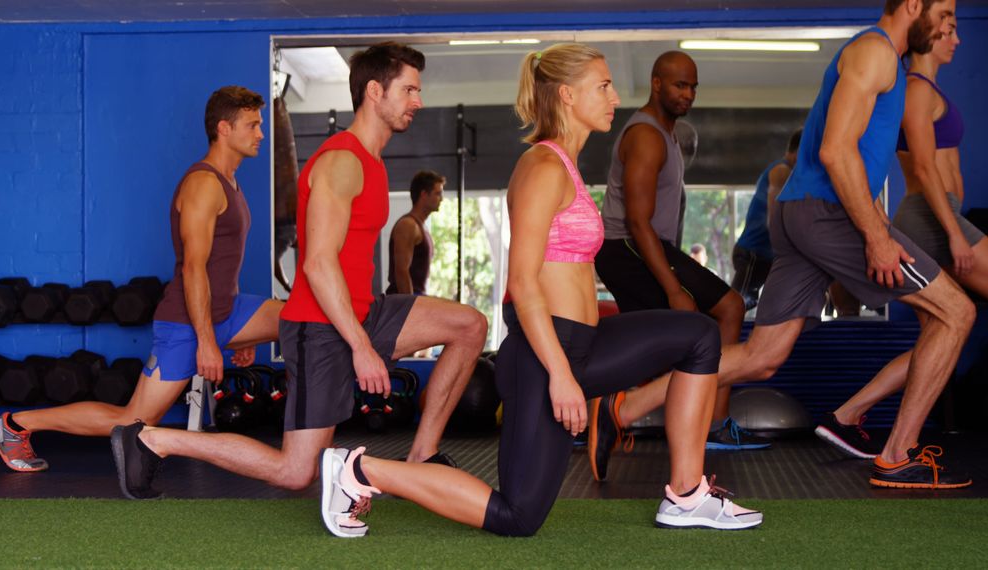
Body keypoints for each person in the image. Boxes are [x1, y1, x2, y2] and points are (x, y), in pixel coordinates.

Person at [307, 43, 760, 539]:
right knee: (517, 516)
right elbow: (522, 283)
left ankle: (686, 493)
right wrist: (562, 376)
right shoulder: (543, 168)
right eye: (602, 86)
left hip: (581, 345)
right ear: (567, 95)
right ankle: (359, 471)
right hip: (547, 357)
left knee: (700, 336)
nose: (614, 97)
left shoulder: (566, 165)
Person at [109, 42, 488, 499]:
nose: (417, 101)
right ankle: (153, 439)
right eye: (408, 90)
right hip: (320, 328)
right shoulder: (341, 161)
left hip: (360, 311)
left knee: (469, 325)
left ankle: (422, 457)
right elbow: (317, 263)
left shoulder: (372, 162)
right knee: (294, 472)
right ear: (374, 91)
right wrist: (361, 347)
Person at [698, 0, 976, 490]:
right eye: (946, 12)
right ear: (915, 5)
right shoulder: (876, 52)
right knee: (957, 312)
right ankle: (897, 455)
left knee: (762, 355)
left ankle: (624, 404)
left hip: (809, 213)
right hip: (828, 213)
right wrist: (876, 236)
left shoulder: (885, 57)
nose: (949, 27)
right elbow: (834, 149)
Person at [815, 19, 988, 464]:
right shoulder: (915, 90)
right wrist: (954, 235)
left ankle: (847, 414)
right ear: (927, 36)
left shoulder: (927, 90)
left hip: (940, 216)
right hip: (932, 218)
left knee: (941, 334)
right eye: (948, 30)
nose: (957, 39)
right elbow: (927, 170)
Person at [0, 86, 283, 473]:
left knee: (297, 320)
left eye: (260, 125)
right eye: (252, 125)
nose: (260, 134)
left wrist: (244, 336)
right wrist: (206, 342)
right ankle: (17, 425)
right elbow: (193, 269)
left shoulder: (230, 181)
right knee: (133, 419)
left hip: (227, 310)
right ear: (224, 128)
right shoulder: (203, 184)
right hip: (186, 322)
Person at [590, 51, 761, 483]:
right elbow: (636, 221)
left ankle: (707, 424)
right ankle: (619, 406)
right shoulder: (646, 136)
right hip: (627, 246)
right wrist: (673, 288)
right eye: (679, 85)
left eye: (693, 86)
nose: (688, 94)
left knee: (725, 311)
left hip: (645, 244)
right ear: (657, 84)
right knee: (709, 321)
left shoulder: (667, 134)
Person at [731, 129, 801, 310]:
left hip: (766, 255)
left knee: (763, 305)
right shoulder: (781, 171)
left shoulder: (790, 174)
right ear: (799, 151)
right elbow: (774, 222)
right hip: (753, 254)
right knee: (735, 307)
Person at [386, 170, 444, 295]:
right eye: (438, 193)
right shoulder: (408, 225)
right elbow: (401, 271)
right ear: (423, 194)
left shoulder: (421, 227)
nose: (442, 199)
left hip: (417, 298)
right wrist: (410, 307)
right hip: (403, 302)